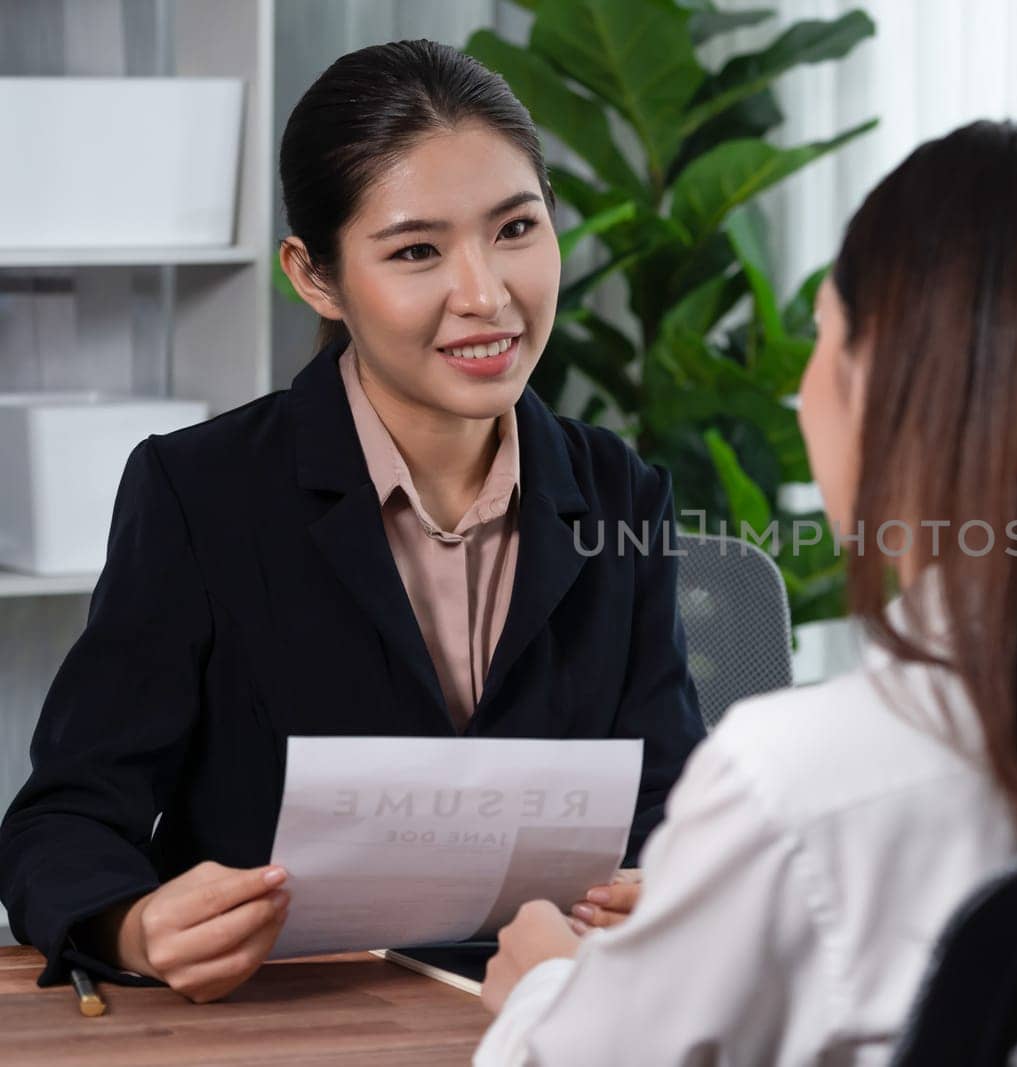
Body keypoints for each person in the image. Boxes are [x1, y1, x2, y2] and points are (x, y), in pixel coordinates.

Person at [472, 121, 1017, 1066]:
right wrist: (711, 901)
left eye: (825, 341)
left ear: (890, 391)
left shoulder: (796, 775)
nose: (803, 396)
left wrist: (547, 980)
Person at [0, 39, 704, 1003]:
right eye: (417, 250)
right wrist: (136, 922)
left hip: (546, 1015)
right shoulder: (199, 493)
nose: (485, 294)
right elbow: (64, 819)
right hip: (281, 1024)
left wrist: (667, 883)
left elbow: (669, 802)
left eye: (515, 229)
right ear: (316, 276)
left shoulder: (621, 494)